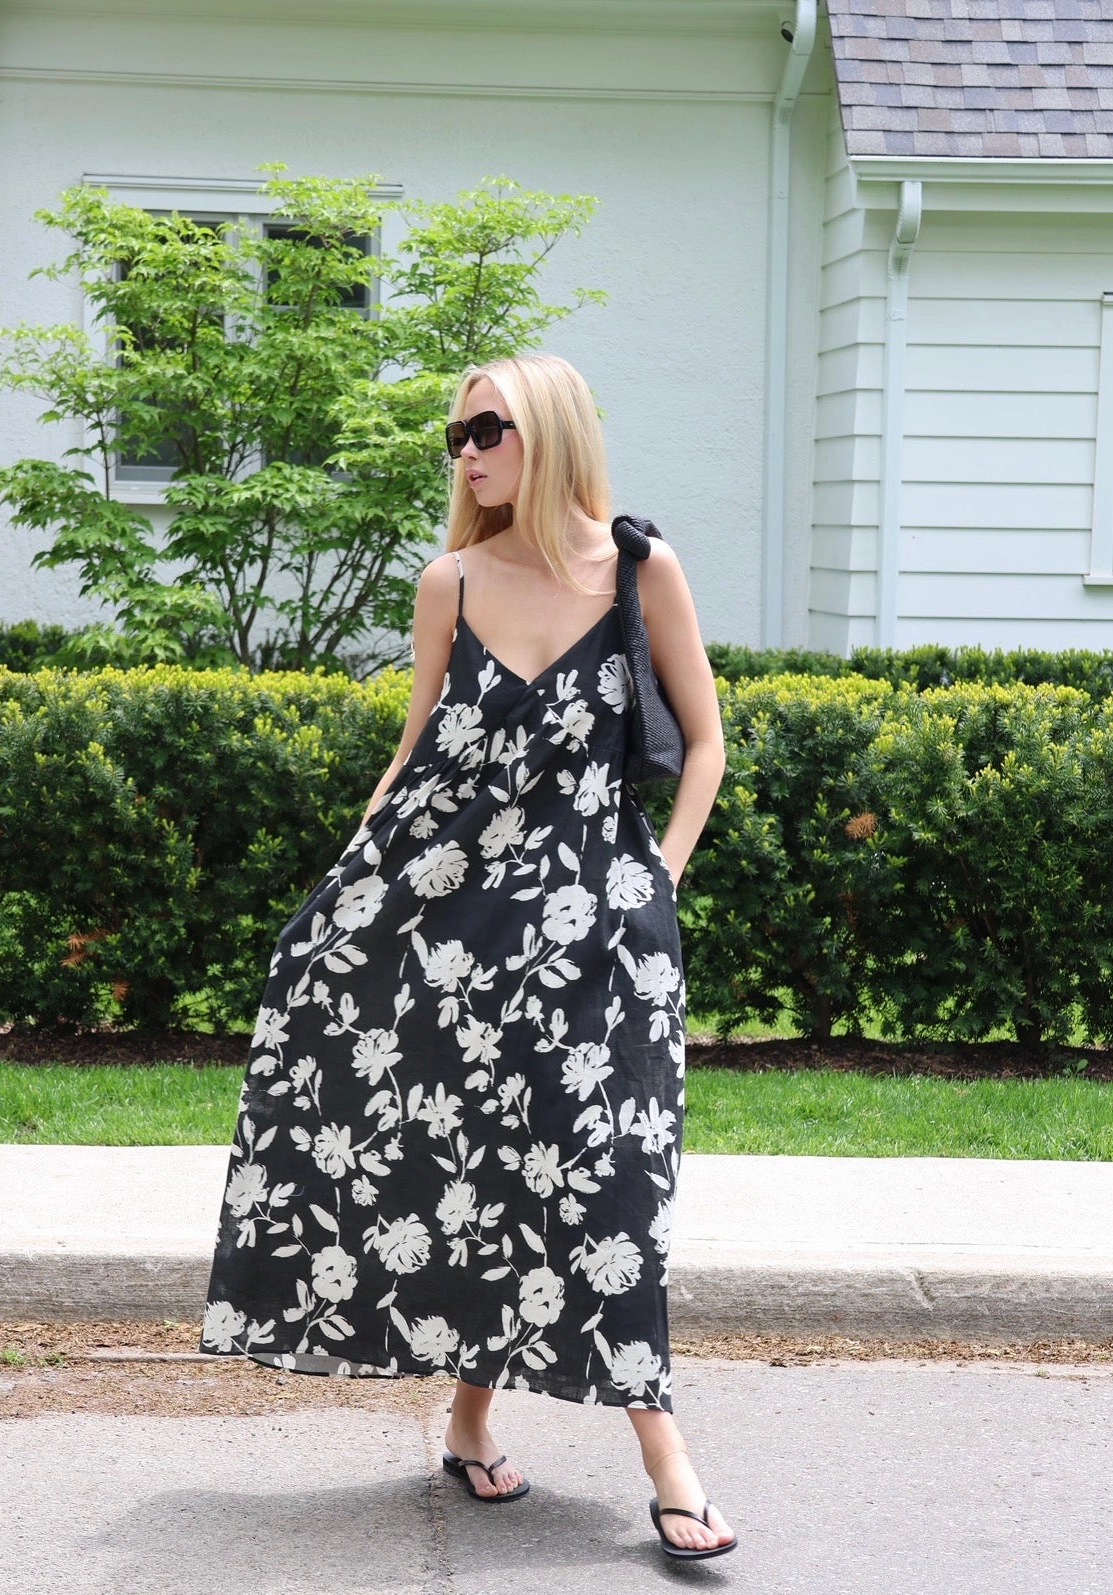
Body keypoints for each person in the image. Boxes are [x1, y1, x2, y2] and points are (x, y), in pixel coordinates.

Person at [198, 352, 734, 1559]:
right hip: (455, 930)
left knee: (604, 1187)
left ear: (546, 429)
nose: (468, 450)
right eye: (456, 435)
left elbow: (704, 746)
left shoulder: (644, 571)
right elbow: (412, 764)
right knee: (479, 1170)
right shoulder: (448, 581)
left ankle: (666, 1452)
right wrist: (344, 891)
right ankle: (473, 1421)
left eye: (487, 426)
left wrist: (655, 881)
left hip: (600, 936)